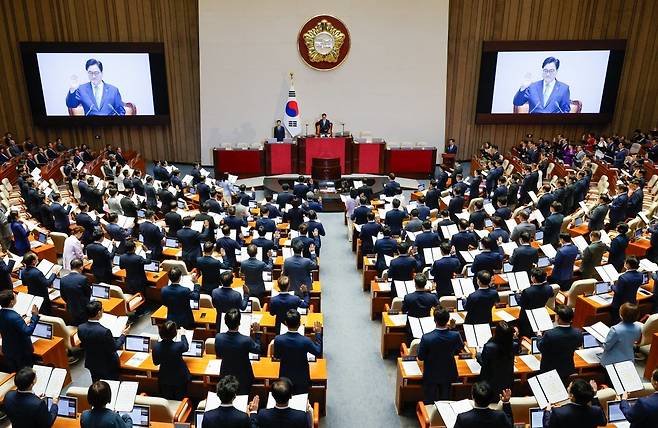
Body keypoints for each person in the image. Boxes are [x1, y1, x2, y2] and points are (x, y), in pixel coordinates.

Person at [417, 306, 464, 403]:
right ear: (447, 320)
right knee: (445, 400)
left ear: (434, 320)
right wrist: (453, 329)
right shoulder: (455, 335)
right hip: (448, 372)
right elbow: (460, 347)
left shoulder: (426, 338)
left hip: (431, 373)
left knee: (429, 400)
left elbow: (420, 357)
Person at [273, 309, 323, 394]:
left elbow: (277, 356)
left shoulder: (278, 339)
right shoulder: (305, 340)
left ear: (285, 323)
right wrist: (318, 334)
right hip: (302, 377)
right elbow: (318, 352)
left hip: (285, 377)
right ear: (299, 323)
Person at [78, 301, 128, 382]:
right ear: (98, 313)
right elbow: (115, 347)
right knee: (111, 385)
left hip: (92, 362)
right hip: (107, 364)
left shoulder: (80, 328)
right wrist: (123, 335)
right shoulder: (104, 331)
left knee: (97, 384)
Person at [215, 309, 261, 395]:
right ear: (239, 323)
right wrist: (257, 333)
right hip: (243, 376)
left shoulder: (219, 337)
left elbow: (219, 354)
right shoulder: (246, 340)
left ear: (225, 322)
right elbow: (258, 350)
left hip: (226, 374)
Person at [537, 305, 583, 383]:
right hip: (567, 368)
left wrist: (539, 336)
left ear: (558, 317)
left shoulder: (550, 334)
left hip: (549, 369)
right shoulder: (578, 333)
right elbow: (578, 345)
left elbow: (541, 347)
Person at [0, 290, 40, 371]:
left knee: (15, 370)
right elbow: (28, 331)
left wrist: (21, 321)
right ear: (11, 302)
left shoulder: (2, 313)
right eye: (15, 297)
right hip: (21, 351)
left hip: (8, 349)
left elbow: (8, 325)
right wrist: (34, 317)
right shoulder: (14, 317)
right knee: (26, 372)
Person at [152, 320, 190, 400]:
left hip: (164, 378)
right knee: (180, 398)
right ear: (174, 333)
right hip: (180, 379)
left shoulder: (156, 346)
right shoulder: (179, 345)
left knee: (167, 398)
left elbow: (156, 363)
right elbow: (186, 346)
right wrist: (183, 335)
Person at [477, 322, 516, 399]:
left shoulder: (489, 347)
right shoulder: (513, 345)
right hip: (507, 383)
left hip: (489, 384)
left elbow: (484, 362)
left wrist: (478, 355)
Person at [517, 268, 554, 337]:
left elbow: (521, 304)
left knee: (525, 333)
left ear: (533, 278)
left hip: (527, 315)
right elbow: (551, 295)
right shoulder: (549, 288)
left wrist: (517, 295)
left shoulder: (527, 291)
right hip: (540, 312)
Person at [610, 257, 643, 323]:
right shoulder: (640, 275)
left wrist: (612, 285)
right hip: (632, 301)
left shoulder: (623, 277)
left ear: (628, 265)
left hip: (619, 303)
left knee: (616, 320)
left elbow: (618, 291)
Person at [60, 258, 91, 326]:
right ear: (81, 267)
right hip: (83, 308)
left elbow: (63, 295)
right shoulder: (83, 279)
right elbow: (88, 294)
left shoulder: (63, 279)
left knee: (76, 324)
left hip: (70, 308)